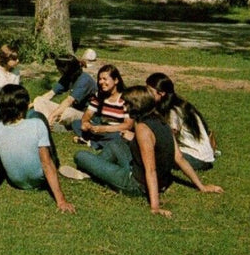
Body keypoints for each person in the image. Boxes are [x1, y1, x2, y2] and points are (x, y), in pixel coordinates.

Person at [67, 86, 223, 217]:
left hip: (135, 184)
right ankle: (97, 170)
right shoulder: (162, 121)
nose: (124, 108)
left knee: (80, 155)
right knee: (115, 145)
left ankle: (93, 171)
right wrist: (201, 187)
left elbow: (150, 169)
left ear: (136, 105)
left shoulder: (143, 129)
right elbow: (179, 158)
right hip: (158, 178)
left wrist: (155, 206)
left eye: (127, 105)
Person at [0, 84, 75, 213]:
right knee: (37, 115)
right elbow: (46, 163)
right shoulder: (37, 125)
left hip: (15, 180)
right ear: (24, 107)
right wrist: (61, 200)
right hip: (40, 181)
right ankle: (57, 161)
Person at [146, 72, 219, 172]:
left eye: (150, 91)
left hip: (198, 159)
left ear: (162, 93)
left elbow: (168, 138)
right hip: (203, 155)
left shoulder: (173, 112)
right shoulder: (179, 104)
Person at [71, 64, 133, 150]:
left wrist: (105, 129)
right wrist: (85, 122)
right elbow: (88, 113)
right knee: (76, 123)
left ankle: (93, 142)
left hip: (116, 130)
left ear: (116, 80)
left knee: (119, 137)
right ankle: (97, 141)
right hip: (101, 127)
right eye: (100, 79)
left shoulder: (126, 99)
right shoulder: (99, 95)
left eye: (105, 79)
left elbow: (128, 125)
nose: (101, 82)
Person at [32, 54, 98, 130]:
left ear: (64, 69)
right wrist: (30, 105)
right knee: (39, 100)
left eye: (58, 67)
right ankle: (50, 122)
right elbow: (51, 94)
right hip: (71, 109)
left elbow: (68, 101)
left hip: (85, 114)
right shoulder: (68, 76)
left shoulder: (84, 80)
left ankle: (51, 121)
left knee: (67, 113)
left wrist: (52, 115)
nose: (57, 69)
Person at [0, 44, 22, 117]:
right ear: (5, 59)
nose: (17, 61)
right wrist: (5, 108)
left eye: (17, 58)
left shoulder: (16, 71)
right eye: (14, 59)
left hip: (11, 103)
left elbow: (16, 91)